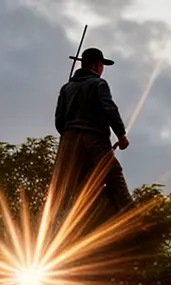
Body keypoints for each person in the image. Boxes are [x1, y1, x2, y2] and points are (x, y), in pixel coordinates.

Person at [54, 47, 133, 212]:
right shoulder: (99, 84)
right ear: (97, 65)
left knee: (66, 187)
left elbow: (59, 121)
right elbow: (109, 109)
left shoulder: (66, 88)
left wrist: (70, 135)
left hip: (68, 141)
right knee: (112, 174)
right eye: (102, 65)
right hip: (94, 139)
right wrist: (121, 135)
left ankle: (59, 222)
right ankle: (131, 216)